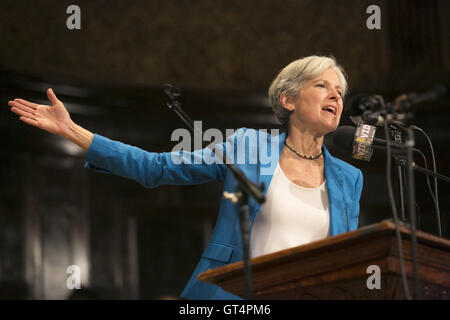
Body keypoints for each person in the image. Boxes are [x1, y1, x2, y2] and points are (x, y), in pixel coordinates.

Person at [9, 55, 363, 300]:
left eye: (340, 92)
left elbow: (345, 262)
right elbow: (156, 168)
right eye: (322, 86)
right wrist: (73, 131)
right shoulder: (250, 146)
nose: (335, 95)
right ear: (287, 99)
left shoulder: (349, 178)